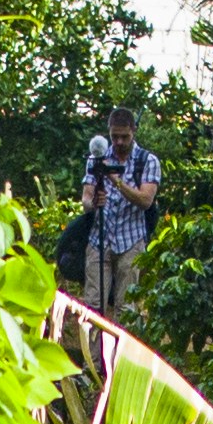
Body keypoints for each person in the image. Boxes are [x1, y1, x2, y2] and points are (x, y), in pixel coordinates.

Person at [74, 105, 163, 314]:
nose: (119, 142)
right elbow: (85, 199)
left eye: (124, 137)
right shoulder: (96, 159)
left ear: (134, 131)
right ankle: (93, 348)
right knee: (93, 308)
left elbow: (145, 200)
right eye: (115, 137)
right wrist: (94, 203)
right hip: (99, 239)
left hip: (131, 240)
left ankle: (120, 348)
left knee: (126, 308)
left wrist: (116, 181)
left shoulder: (148, 161)